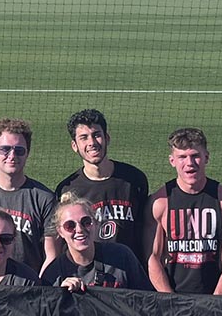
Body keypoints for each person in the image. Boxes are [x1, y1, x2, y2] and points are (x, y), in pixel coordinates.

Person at [148, 127, 222, 294]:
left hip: (214, 296)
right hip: (172, 297)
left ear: (206, 157)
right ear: (172, 161)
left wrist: (216, 298)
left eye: (195, 156)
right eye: (182, 157)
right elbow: (152, 258)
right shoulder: (159, 203)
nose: (189, 163)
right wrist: (170, 300)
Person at [54, 109, 150, 263]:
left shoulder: (134, 179)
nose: (92, 142)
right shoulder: (67, 188)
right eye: (83, 138)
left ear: (107, 138)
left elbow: (146, 232)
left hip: (128, 272)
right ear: (74, 145)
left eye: (96, 135)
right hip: (88, 276)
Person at [0, 118, 57, 272]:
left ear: (27, 153)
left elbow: (51, 254)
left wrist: (37, 286)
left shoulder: (44, 198)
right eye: (5, 149)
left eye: (19, 150)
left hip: (27, 285)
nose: (12, 156)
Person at [41, 193, 152, 291]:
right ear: (60, 232)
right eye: (70, 226)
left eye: (86, 222)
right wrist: (61, 294)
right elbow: (46, 312)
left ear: (96, 223)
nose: (79, 229)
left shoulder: (121, 256)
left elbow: (146, 300)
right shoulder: (54, 274)